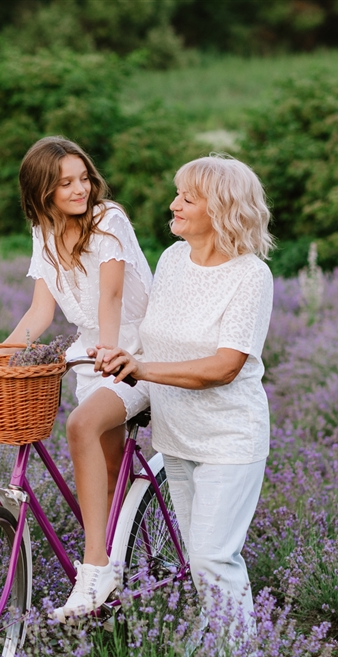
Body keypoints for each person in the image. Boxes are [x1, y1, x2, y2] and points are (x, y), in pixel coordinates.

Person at [0, 136, 154, 620]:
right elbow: (40, 313)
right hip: (94, 351)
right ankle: (113, 569)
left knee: (81, 426)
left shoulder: (109, 220)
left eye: (83, 178)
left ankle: (94, 569)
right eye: (65, 182)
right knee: (107, 472)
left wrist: (110, 352)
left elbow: (110, 298)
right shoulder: (42, 233)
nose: (80, 189)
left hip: (138, 350)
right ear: (42, 191)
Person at [94, 154, 274, 630]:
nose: (172, 205)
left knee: (215, 558)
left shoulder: (250, 275)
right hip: (176, 437)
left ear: (220, 210)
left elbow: (224, 366)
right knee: (199, 561)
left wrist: (144, 369)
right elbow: (152, 332)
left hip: (228, 439)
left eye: (186, 198)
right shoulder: (173, 260)